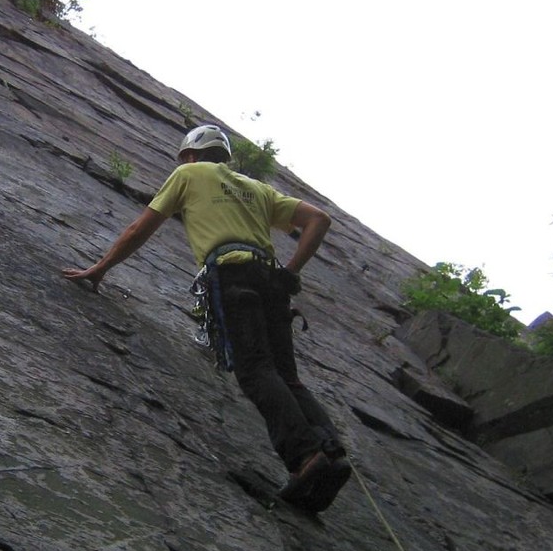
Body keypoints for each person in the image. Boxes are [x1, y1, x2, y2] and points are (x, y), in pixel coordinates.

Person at [62, 125, 351, 513]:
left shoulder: (188, 174)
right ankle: (330, 453)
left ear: (191, 155)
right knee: (289, 377)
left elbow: (140, 228)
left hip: (231, 276)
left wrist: (100, 268)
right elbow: (319, 220)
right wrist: (290, 272)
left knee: (255, 370)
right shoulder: (257, 189)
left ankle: (305, 455)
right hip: (271, 281)